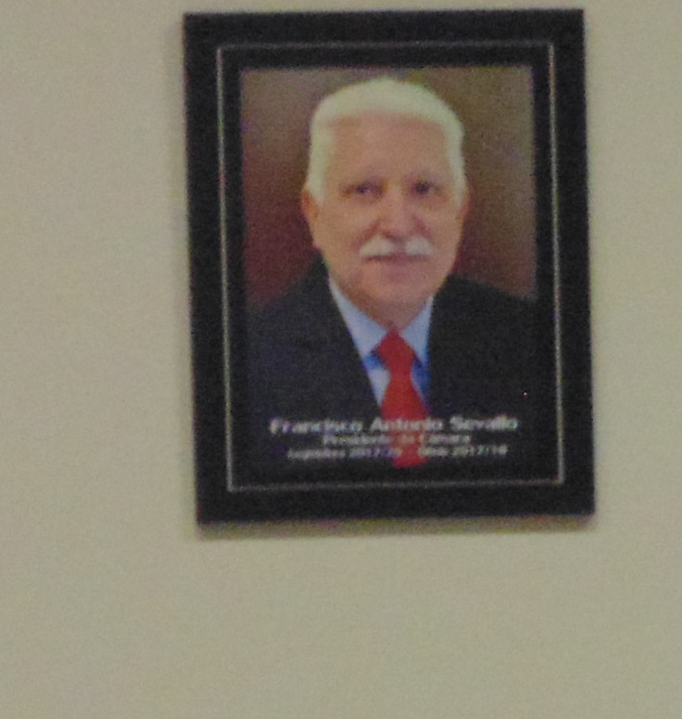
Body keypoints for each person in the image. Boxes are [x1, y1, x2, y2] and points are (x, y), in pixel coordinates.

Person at [238, 76, 555, 477]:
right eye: (365, 190)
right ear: (314, 213)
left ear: (459, 211)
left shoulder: (534, 343)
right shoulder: (246, 364)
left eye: (424, 189)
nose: (399, 226)